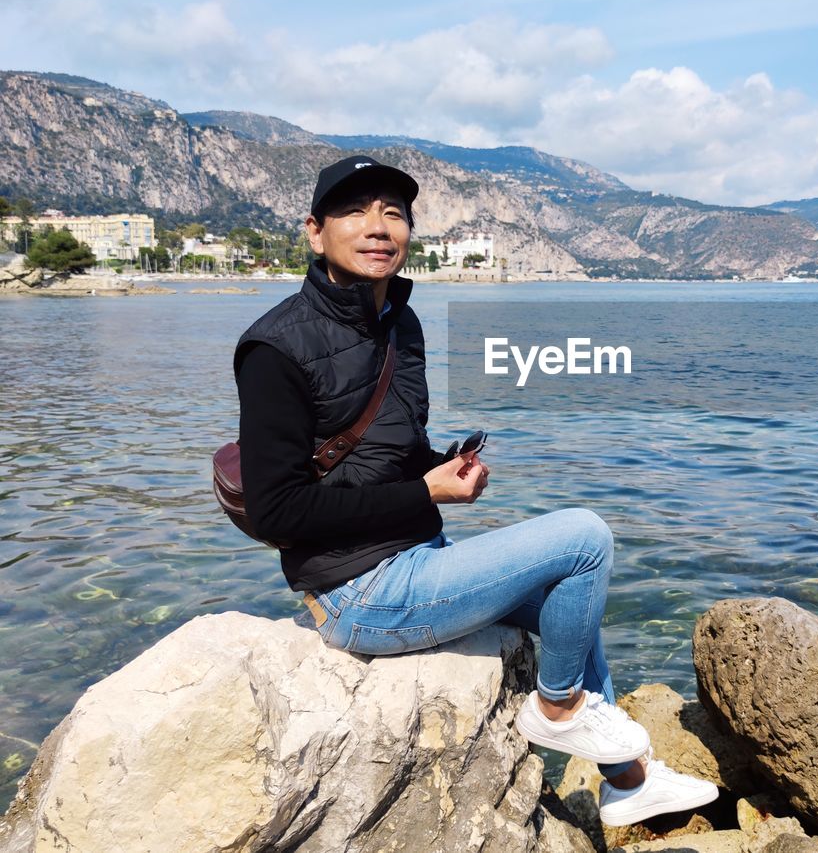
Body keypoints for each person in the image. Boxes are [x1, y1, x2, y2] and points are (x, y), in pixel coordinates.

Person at [234, 155, 717, 827]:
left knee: (566, 596)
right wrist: (424, 493)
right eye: (354, 211)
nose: (378, 227)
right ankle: (556, 711)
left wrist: (442, 467)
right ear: (315, 232)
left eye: (393, 213)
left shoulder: (400, 326)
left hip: (417, 556)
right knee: (585, 539)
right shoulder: (274, 349)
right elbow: (276, 508)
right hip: (358, 592)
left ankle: (629, 782)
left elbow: (389, 456)